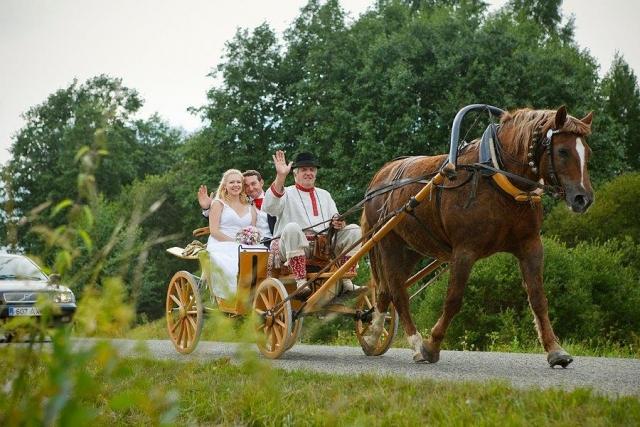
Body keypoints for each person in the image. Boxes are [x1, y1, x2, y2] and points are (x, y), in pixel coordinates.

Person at [263, 151, 362, 296]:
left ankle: (346, 280)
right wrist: (281, 176)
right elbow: (270, 207)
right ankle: (301, 282)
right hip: (292, 246)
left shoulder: (325, 194)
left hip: (323, 248)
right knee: (292, 227)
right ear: (295, 174)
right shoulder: (286, 192)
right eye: (304, 170)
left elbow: (336, 219)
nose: (308, 173)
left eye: (312, 170)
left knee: (355, 230)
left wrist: (339, 224)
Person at [205, 169, 263, 299]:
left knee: (261, 258)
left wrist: (251, 238)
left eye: (238, 182)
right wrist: (234, 242)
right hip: (221, 243)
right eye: (232, 182)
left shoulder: (249, 206)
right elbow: (214, 231)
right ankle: (232, 298)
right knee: (233, 266)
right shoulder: (218, 203)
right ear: (225, 185)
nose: (236, 185)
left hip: (244, 244)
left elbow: (253, 229)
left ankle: (258, 294)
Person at [198, 170, 274, 243]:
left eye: (253, 184)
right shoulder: (220, 203)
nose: (251, 188)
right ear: (225, 185)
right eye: (246, 185)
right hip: (226, 244)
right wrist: (207, 208)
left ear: (261, 183)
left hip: (271, 241)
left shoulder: (274, 200)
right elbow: (218, 224)